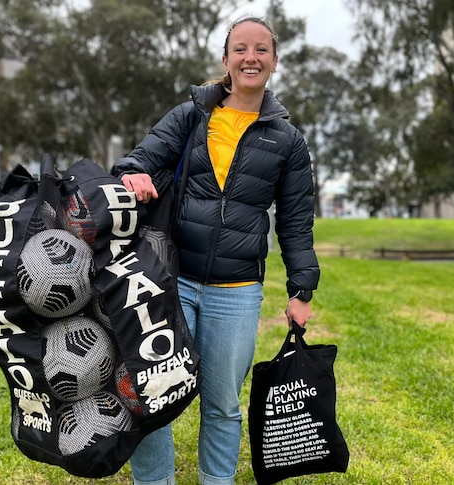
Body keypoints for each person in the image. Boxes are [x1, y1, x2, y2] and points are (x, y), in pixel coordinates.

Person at [112, 15, 319, 485]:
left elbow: (294, 222)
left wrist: (301, 290)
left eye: (261, 49)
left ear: (274, 61)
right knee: (151, 391)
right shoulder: (193, 115)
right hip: (171, 279)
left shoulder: (288, 141)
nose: (251, 57)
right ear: (226, 60)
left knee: (224, 403)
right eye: (241, 49)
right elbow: (138, 157)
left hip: (238, 290)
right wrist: (134, 174)